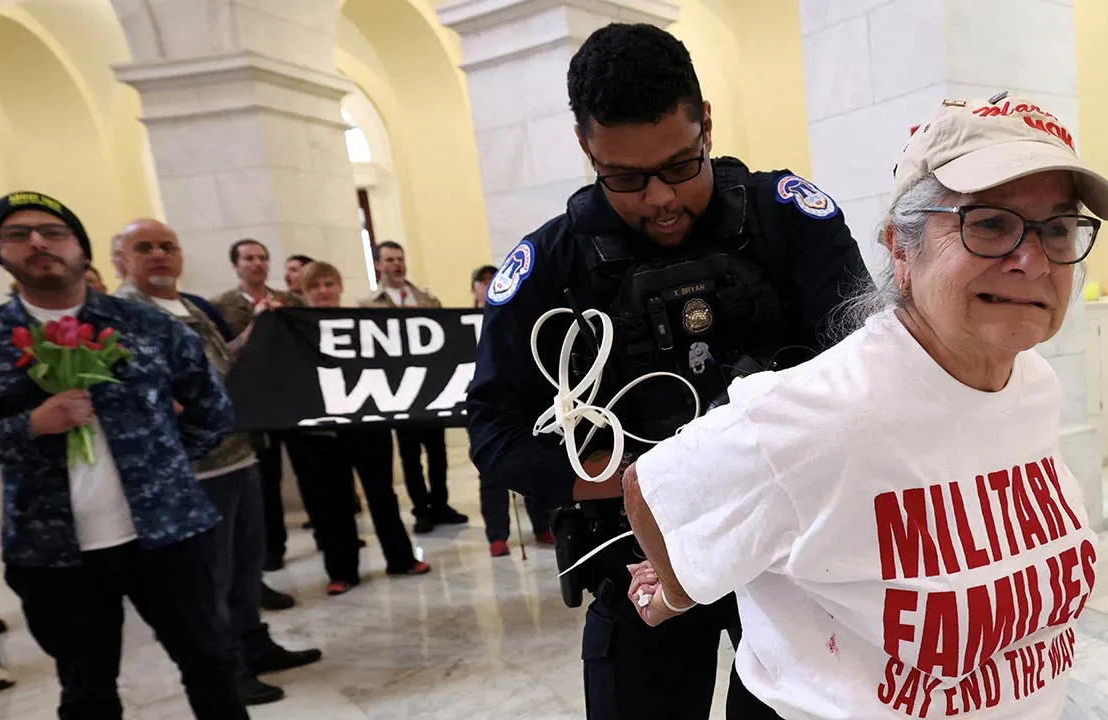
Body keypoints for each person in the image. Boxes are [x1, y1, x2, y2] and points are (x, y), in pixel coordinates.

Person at [620, 94, 1108, 719]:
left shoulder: (1034, 381)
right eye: (990, 223)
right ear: (901, 249)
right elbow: (652, 487)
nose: (1032, 260)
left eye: (1057, 229)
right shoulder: (832, 410)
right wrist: (676, 590)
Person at [466, 23, 870, 720]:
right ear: (585, 148)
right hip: (634, 561)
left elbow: (870, 373)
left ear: (705, 124)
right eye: (623, 178)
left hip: (791, 560)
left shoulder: (788, 220)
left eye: (681, 166)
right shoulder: (548, 267)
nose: (660, 199)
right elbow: (492, 432)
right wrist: (626, 481)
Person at [0, 191, 249, 719]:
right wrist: (29, 425)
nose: (37, 243)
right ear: (0, 252)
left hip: (170, 534)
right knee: (87, 689)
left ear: (82, 248)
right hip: (53, 550)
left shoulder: (149, 325)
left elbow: (215, 411)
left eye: (53, 232)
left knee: (212, 664)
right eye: (16, 234)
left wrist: (162, 464)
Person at [114, 218, 323, 704]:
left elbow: (221, 366)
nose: (160, 255)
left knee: (247, 566)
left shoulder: (190, 306)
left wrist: (255, 336)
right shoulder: (124, 313)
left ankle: (254, 644)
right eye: (145, 247)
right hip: (192, 470)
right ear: (120, 259)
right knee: (212, 577)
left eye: (169, 245)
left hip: (237, 452)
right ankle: (228, 669)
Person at [293, 261, 432, 594]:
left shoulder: (364, 324)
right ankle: (341, 571)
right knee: (334, 501)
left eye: (328, 283)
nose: (323, 291)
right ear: (305, 292)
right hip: (321, 432)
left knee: (382, 494)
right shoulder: (295, 330)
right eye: (315, 286)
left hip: (367, 425)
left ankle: (400, 558)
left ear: (340, 285)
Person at [361, 241, 468, 534]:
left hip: (430, 387)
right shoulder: (368, 305)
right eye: (390, 260)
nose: (397, 264)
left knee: (438, 452)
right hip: (397, 392)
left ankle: (441, 503)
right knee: (410, 455)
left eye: (400, 258)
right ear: (379, 265)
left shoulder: (427, 299)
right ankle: (422, 509)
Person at [213, 239, 305, 573]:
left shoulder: (291, 300)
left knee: (311, 474)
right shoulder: (220, 306)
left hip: (294, 399)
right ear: (236, 265)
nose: (257, 264)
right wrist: (259, 323)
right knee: (266, 480)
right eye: (249, 258)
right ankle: (272, 548)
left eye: (263, 258)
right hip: (253, 406)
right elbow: (223, 355)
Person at [470, 265, 554, 557]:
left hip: (521, 398)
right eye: (483, 281)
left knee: (535, 456)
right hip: (485, 404)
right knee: (491, 471)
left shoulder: (515, 313)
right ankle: (497, 534)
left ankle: (543, 523)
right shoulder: (465, 322)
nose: (490, 284)